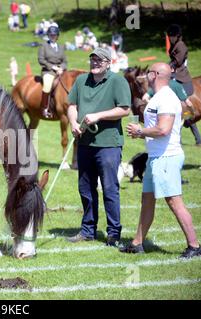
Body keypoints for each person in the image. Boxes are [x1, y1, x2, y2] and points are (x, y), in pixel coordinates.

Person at [123, 62, 201, 259]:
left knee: (174, 201)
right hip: (156, 156)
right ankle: (137, 243)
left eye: (148, 72)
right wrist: (142, 130)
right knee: (147, 199)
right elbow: (158, 124)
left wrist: (140, 131)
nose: (145, 76)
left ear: (155, 75)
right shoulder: (158, 97)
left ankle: (195, 246)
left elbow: (163, 129)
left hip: (166, 157)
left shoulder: (167, 98)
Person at [66, 47, 131, 246]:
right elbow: (71, 106)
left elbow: (125, 109)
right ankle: (88, 230)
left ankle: (113, 233)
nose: (95, 63)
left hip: (108, 144)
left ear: (108, 63)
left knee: (110, 188)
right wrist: (74, 123)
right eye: (92, 60)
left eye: (99, 61)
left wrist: (98, 115)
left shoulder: (117, 81)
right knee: (85, 188)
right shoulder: (80, 80)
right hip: (85, 143)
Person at [167, 24, 201, 146]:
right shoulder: (175, 45)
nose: (170, 38)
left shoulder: (181, 45)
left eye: (172, 36)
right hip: (174, 72)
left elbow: (178, 61)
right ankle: (196, 140)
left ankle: (180, 137)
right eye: (169, 36)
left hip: (180, 75)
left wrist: (168, 67)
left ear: (177, 36)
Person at [38, 25, 67, 119]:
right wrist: (53, 67)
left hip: (61, 71)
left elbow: (65, 61)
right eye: (51, 35)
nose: (53, 37)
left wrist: (62, 68)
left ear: (57, 36)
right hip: (48, 71)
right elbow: (41, 60)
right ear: (48, 36)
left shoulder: (61, 47)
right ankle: (44, 108)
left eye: (54, 35)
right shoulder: (43, 46)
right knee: (47, 86)